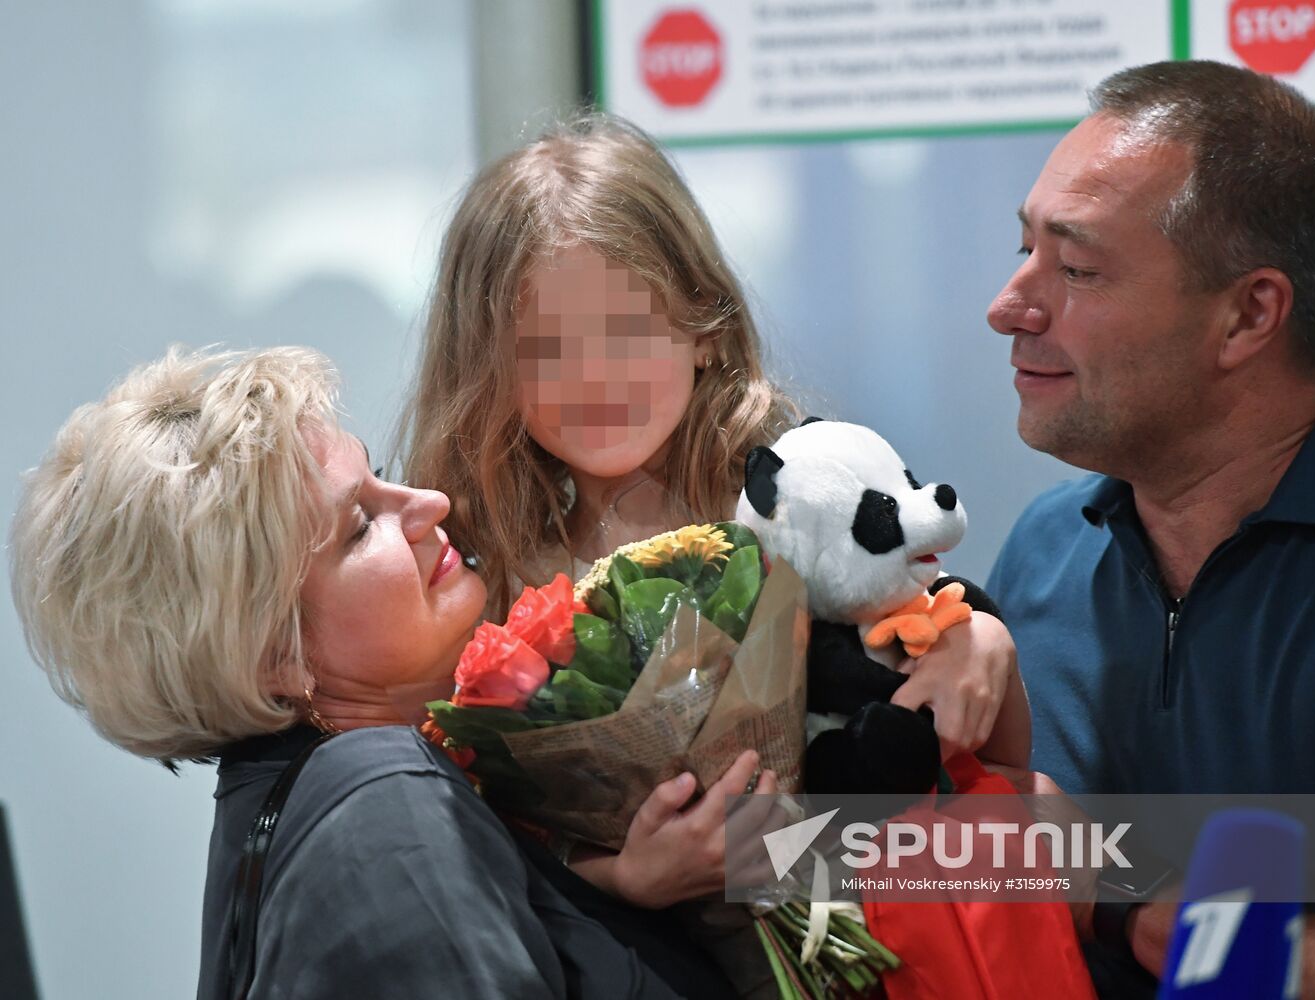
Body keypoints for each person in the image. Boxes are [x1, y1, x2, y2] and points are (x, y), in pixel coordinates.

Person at [9, 345, 752, 999]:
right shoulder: (383, 806)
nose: (431, 503)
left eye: (383, 478)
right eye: (361, 525)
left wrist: (635, 883)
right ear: (276, 656)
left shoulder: (344, 798)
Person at [400, 112, 1031, 777]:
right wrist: (620, 874)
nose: (591, 377)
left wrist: (980, 640)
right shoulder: (474, 572)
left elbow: (996, 761)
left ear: (701, 323)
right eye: (544, 349)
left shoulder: (799, 503)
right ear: (484, 366)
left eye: (624, 332)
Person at [985, 59, 1315, 996]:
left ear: (1248, 315)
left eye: (1076, 269)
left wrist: (1165, 921)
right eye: (1024, 250)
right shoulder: (1043, 548)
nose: (1007, 307)